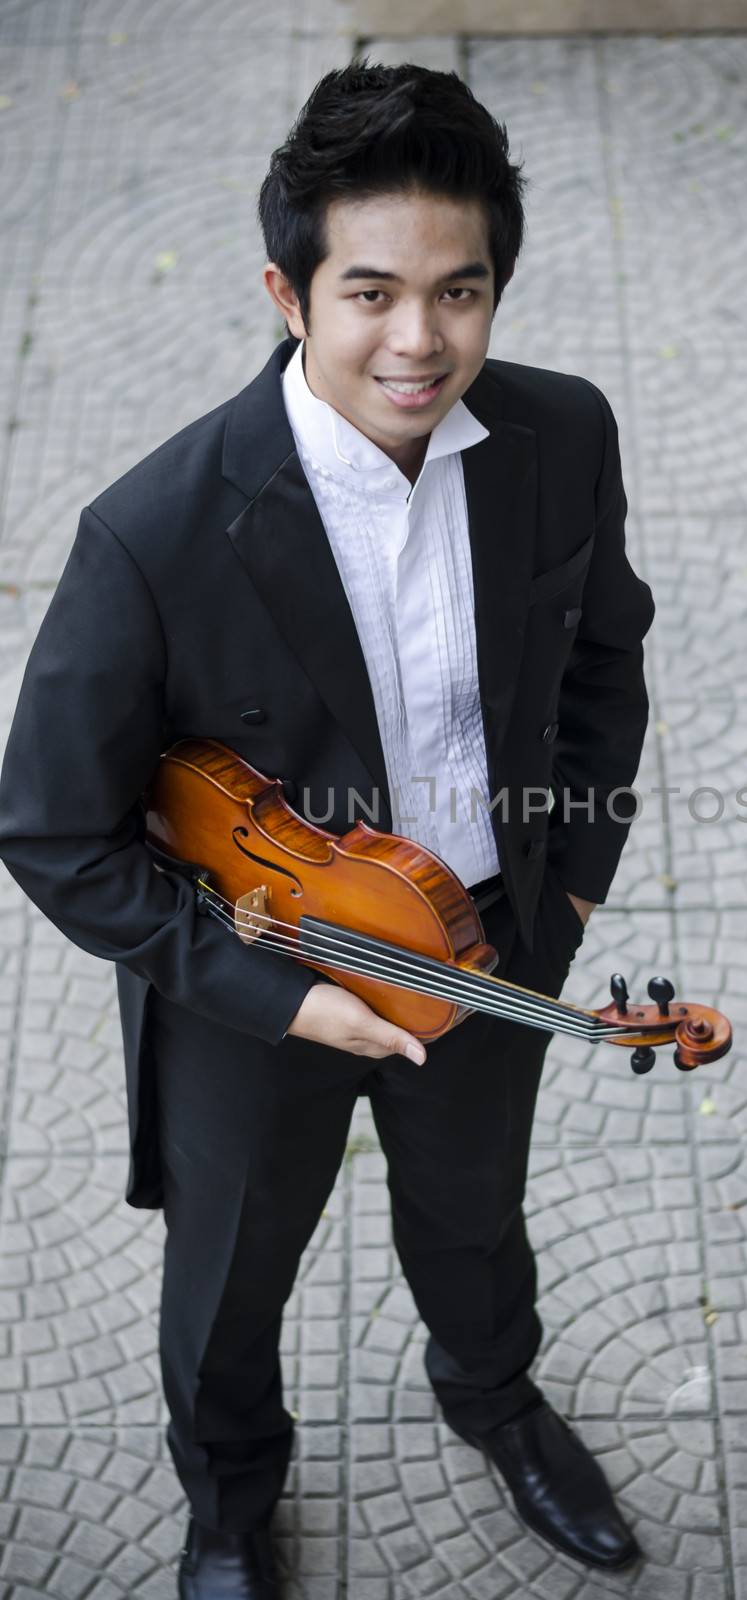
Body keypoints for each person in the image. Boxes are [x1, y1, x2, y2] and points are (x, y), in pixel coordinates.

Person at [0, 61, 655, 1599]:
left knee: (476, 1221)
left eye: (459, 290)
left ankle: (494, 1401)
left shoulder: (563, 435)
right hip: (256, 979)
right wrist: (276, 995)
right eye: (370, 291)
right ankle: (230, 1504)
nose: (419, 340)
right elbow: (50, 833)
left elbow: (608, 662)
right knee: (229, 1279)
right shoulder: (151, 534)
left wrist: (562, 908)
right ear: (287, 293)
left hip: (484, 937)